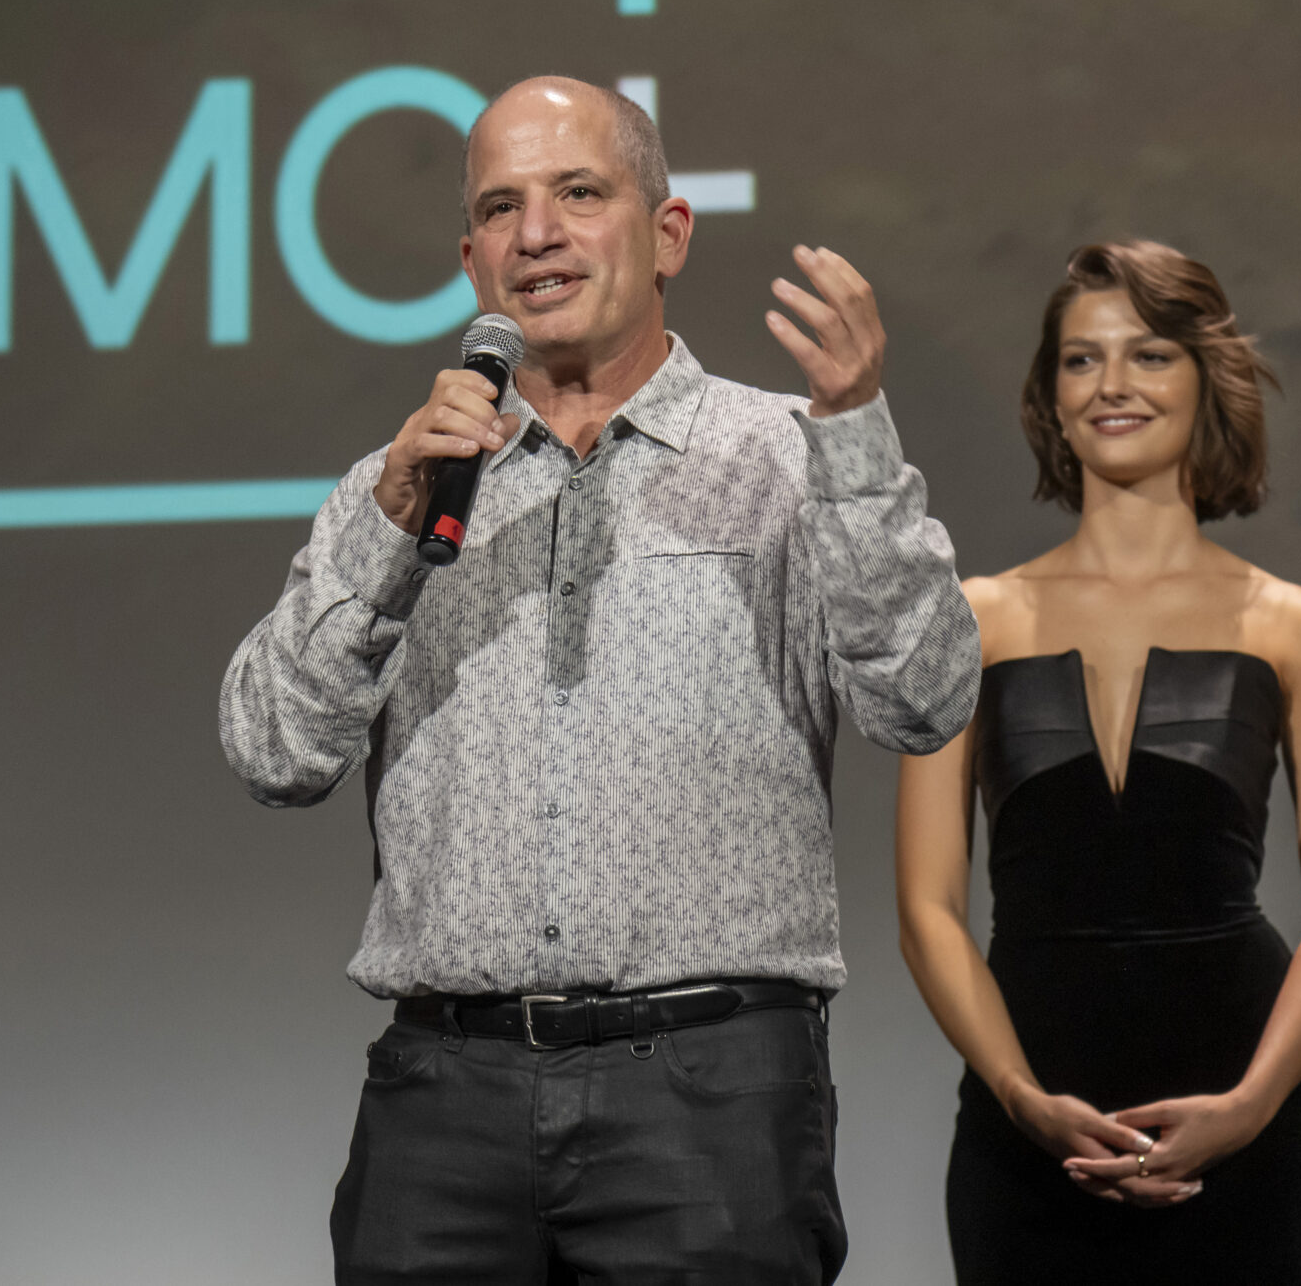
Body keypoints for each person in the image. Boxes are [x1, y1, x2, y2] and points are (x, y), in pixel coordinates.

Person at [219, 75, 979, 1285]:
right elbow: (272, 752)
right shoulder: (406, 482)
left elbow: (924, 698)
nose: (536, 234)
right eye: (502, 208)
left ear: (666, 233)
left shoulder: (789, 456)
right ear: (471, 261)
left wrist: (855, 437)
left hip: (708, 1095)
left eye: (578, 193)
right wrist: (388, 533)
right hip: (444, 1099)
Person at [896, 240, 1301, 1284]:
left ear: (1205, 380)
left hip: (1247, 1125)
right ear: (1050, 397)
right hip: (1030, 1128)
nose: (1111, 384)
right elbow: (927, 906)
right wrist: (1019, 1097)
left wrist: (1250, 1106)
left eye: (1148, 354)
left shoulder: (1295, 626)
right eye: (1080, 359)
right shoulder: (970, 619)